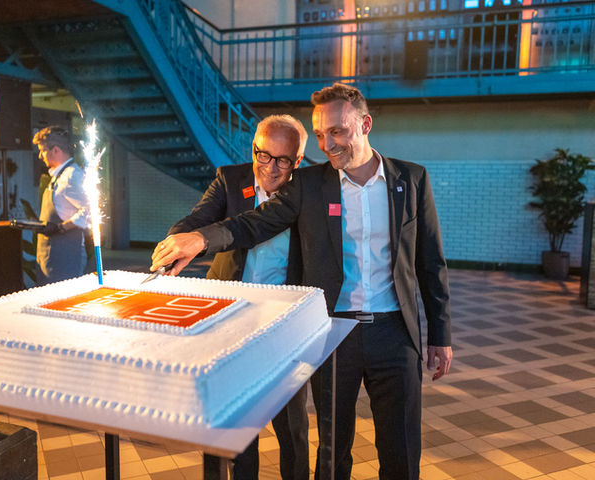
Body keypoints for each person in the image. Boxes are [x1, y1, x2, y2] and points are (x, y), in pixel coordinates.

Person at [151, 83, 453, 480]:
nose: (328, 144)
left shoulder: (411, 179)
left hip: (395, 334)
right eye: (321, 134)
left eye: (338, 131)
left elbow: (431, 262)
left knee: (401, 451)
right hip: (334, 333)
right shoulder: (310, 184)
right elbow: (255, 222)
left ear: (365, 125)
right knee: (331, 454)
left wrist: (440, 335)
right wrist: (200, 239)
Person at [168, 114, 310, 480]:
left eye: (283, 160)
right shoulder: (230, 180)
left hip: (284, 321)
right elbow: (198, 219)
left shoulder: (306, 190)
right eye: (264, 155)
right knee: (233, 422)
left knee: (291, 425)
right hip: (230, 318)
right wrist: (175, 241)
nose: (271, 168)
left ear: (297, 160)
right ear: (253, 149)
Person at [32, 126, 89, 285]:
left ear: (56, 150)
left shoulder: (72, 176)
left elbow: (91, 211)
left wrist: (60, 228)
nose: (40, 156)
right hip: (51, 257)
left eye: (43, 151)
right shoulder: (59, 176)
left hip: (65, 258)